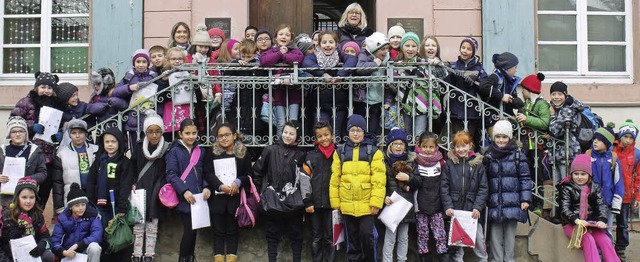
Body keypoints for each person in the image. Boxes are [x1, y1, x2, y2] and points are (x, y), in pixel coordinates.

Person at [329, 114, 386, 262]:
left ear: (364, 132)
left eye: (359, 130)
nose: (355, 133)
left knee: (368, 237)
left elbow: (379, 180)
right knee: (352, 241)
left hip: (367, 205)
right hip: (347, 205)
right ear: (348, 131)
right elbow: (335, 180)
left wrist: (375, 203)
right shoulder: (340, 152)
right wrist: (336, 204)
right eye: (353, 130)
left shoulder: (374, 152)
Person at [252, 121, 306, 262]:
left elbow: (304, 179)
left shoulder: (301, 154)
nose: (287, 136)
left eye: (292, 133)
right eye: (286, 132)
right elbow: (257, 171)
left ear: (297, 135)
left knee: (296, 234)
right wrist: (259, 194)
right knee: (272, 234)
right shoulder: (270, 150)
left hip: (293, 201)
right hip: (272, 199)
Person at [483, 120, 532, 262]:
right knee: (495, 236)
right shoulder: (488, 156)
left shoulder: (518, 155)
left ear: (509, 137)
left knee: (510, 236)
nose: (501, 140)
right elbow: (484, 179)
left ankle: (509, 260)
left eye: (504, 137)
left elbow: (525, 178)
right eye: (498, 137)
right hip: (494, 202)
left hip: (513, 202)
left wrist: (525, 199)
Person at [11, 71, 62, 207]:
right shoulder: (25, 102)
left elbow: (60, 126)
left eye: (49, 88)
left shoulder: (56, 106)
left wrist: (58, 135)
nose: (46, 91)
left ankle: (38, 213)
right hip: (29, 153)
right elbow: (13, 121)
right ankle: (22, 214)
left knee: (46, 186)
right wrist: (31, 126)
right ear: (36, 87)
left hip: (48, 155)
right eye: (43, 87)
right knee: (27, 185)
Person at [558, 154, 621, 262]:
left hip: (591, 224)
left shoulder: (595, 187)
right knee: (588, 239)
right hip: (572, 224)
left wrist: (601, 220)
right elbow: (564, 209)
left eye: (583, 174)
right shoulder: (566, 188)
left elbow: (601, 206)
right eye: (576, 174)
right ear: (571, 174)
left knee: (605, 240)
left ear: (589, 175)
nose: (579, 177)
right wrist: (577, 220)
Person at [204, 123, 251, 262]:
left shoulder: (243, 153)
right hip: (217, 200)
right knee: (218, 232)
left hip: (234, 200)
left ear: (234, 135)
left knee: (232, 231)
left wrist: (238, 182)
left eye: (227, 135)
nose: (224, 138)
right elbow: (207, 173)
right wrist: (219, 186)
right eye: (220, 136)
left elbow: (249, 175)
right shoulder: (212, 152)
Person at [165, 119, 211, 262]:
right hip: (184, 197)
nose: (191, 136)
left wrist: (206, 187)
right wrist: (184, 191)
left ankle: (189, 257)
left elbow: (204, 173)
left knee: (193, 231)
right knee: (189, 231)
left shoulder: (201, 151)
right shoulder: (174, 152)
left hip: (198, 198)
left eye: (194, 133)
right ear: (180, 134)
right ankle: (184, 257)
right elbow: (171, 174)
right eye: (187, 133)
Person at [441, 131, 489, 262]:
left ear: (470, 146)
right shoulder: (450, 164)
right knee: (457, 245)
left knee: (479, 239)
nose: (461, 149)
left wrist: (477, 207)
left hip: (472, 210)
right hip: (456, 210)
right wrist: (448, 206)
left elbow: (483, 188)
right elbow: (444, 187)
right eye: (458, 146)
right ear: (454, 148)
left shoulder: (477, 164)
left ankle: (483, 259)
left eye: (464, 146)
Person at [302, 30, 358, 140]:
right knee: (321, 134)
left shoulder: (340, 55)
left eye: (331, 42)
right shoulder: (314, 56)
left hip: (339, 104)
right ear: (319, 45)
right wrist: (323, 74)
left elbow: (352, 60)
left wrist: (340, 75)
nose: (328, 45)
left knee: (335, 134)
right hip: (319, 105)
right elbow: (306, 62)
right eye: (324, 42)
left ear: (336, 45)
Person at [130, 111, 170, 262]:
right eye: (150, 132)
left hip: (156, 190)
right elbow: (133, 167)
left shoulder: (166, 148)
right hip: (140, 189)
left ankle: (149, 255)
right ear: (145, 132)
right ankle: (136, 254)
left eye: (157, 131)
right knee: (138, 225)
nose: (154, 135)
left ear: (162, 131)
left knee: (152, 224)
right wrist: (133, 182)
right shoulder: (139, 147)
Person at [405, 132, 448, 261]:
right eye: (425, 146)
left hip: (437, 205)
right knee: (422, 234)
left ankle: (443, 257)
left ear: (436, 148)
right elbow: (413, 183)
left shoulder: (441, 163)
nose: (428, 150)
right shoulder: (415, 162)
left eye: (431, 147)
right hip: (420, 206)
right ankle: (424, 258)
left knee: (440, 235)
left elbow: (445, 183)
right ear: (419, 146)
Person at [259, 24, 305, 138]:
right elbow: (264, 61)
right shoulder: (271, 51)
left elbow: (298, 60)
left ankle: (293, 143)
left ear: (291, 38)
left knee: (293, 121)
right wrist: (279, 53)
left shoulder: (295, 51)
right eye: (281, 34)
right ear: (275, 37)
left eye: (287, 35)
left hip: (294, 93)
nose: (284, 37)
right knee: (281, 122)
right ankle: (280, 145)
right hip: (278, 93)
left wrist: (285, 55)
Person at [515, 73, 551, 217]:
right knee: (526, 175)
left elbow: (544, 122)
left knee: (538, 176)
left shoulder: (541, 104)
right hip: (525, 146)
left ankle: (538, 205)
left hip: (537, 146)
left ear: (528, 90)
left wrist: (527, 119)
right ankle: (527, 202)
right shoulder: (526, 104)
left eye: (523, 89)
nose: (521, 92)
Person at [395, 32, 442, 138]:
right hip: (405, 105)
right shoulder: (397, 65)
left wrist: (437, 62)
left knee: (419, 135)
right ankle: (408, 154)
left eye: (413, 46)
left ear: (418, 48)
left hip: (422, 106)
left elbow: (435, 83)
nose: (410, 49)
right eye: (407, 46)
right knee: (407, 134)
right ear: (402, 47)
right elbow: (392, 85)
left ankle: (417, 154)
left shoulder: (424, 64)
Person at [86, 127, 134, 230]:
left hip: (116, 205)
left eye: (113, 141)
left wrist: (122, 206)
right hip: (99, 203)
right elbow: (91, 180)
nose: (110, 144)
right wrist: (90, 200)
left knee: (115, 231)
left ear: (119, 143)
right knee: (102, 228)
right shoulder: (98, 161)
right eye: (107, 142)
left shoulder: (125, 163)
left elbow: (125, 185)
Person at [303, 121, 337, 262]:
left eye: (326, 135)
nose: (324, 138)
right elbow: (304, 179)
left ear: (332, 135)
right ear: (316, 139)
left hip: (332, 204)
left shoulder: (338, 154)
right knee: (316, 237)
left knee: (331, 238)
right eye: (320, 136)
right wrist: (308, 201)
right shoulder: (310, 156)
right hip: (314, 205)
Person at [444, 37, 487, 147]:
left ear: (473, 52)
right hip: (455, 109)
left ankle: (469, 161)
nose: (465, 51)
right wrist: (453, 75)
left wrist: (475, 79)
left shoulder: (479, 68)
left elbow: (484, 85)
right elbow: (446, 83)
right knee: (457, 138)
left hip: (472, 110)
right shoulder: (454, 66)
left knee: (469, 139)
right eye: (463, 47)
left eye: (468, 49)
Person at [112, 48, 159, 151]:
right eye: (138, 62)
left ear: (148, 63)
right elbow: (115, 92)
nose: (141, 65)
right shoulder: (129, 76)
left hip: (149, 115)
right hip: (133, 117)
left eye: (144, 62)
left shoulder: (153, 76)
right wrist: (129, 88)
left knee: (149, 147)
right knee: (135, 148)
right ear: (134, 63)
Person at [381, 128, 416, 262]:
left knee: (403, 237)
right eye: (395, 143)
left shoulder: (411, 162)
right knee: (390, 238)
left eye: (401, 144)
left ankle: (402, 260)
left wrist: (409, 177)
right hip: (391, 206)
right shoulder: (384, 162)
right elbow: (381, 183)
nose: (399, 147)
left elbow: (419, 181)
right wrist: (385, 197)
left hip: (405, 206)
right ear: (390, 145)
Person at [0, 177, 54, 262]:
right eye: (24, 197)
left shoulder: (37, 215)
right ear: (17, 198)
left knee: (48, 256)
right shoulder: (5, 215)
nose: (28, 201)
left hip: (31, 255)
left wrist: (43, 244)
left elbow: (46, 236)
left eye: (32, 197)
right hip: (10, 257)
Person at [52, 119, 99, 214]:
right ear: (69, 135)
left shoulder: (96, 150)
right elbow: (57, 182)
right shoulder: (62, 154)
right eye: (74, 133)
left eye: (81, 132)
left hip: (93, 196)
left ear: (86, 134)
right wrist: (59, 206)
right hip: (73, 198)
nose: (77, 136)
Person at [0, 116, 47, 207]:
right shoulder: (2, 151)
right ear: (9, 134)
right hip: (7, 198)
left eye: (21, 131)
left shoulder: (35, 151)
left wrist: (29, 179)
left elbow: (43, 173)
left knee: (26, 220)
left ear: (26, 133)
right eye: (14, 131)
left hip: (28, 198)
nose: (18, 134)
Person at [587, 126, 624, 238]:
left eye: (599, 140)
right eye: (594, 139)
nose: (595, 142)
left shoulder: (613, 159)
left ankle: (608, 254)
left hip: (608, 202)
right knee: (591, 231)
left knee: (607, 231)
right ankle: (594, 254)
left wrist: (616, 202)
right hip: (591, 202)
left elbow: (618, 182)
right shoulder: (588, 156)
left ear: (607, 143)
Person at [51, 183, 103, 262]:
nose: (81, 208)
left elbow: (97, 235)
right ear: (71, 207)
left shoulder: (93, 215)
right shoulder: (63, 218)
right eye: (77, 205)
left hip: (85, 250)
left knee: (95, 247)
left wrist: (78, 245)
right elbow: (55, 240)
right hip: (69, 253)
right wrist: (64, 252)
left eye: (83, 204)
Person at [547, 81, 587, 182]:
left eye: (560, 94)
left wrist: (551, 116)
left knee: (566, 186)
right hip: (558, 154)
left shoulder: (567, 109)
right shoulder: (557, 108)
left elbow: (555, 131)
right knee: (559, 188)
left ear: (565, 95)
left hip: (568, 154)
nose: (556, 97)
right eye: (553, 94)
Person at [612, 119, 640, 260]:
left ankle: (621, 249)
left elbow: (638, 177)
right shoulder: (611, 148)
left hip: (626, 195)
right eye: (625, 136)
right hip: (610, 193)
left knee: (622, 224)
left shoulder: (637, 154)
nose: (628, 140)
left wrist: (638, 197)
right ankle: (607, 247)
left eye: (631, 137)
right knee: (607, 222)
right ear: (620, 135)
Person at [354, 32, 390, 136]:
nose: (385, 52)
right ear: (374, 49)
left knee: (373, 129)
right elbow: (359, 68)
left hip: (378, 101)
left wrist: (387, 100)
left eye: (387, 48)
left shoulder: (388, 59)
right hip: (363, 100)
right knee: (361, 128)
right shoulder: (364, 54)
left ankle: (371, 148)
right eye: (382, 49)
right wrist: (374, 64)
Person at [478, 52, 524, 129]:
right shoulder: (495, 77)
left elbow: (511, 97)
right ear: (507, 68)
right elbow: (484, 87)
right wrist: (501, 96)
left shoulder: (511, 81)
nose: (516, 70)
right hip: (493, 119)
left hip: (506, 119)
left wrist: (516, 102)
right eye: (515, 67)